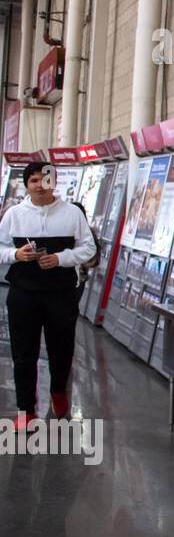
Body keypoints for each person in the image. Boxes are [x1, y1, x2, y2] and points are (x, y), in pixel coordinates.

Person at [0, 162, 97, 430]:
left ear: (54, 182)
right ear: (26, 185)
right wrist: (15, 255)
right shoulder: (14, 214)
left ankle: (58, 391)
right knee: (23, 352)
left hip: (61, 293)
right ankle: (26, 409)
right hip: (23, 293)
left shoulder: (72, 214)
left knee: (61, 349)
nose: (40, 186)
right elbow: (0, 247)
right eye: (34, 181)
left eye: (46, 180)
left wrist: (62, 258)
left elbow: (88, 248)